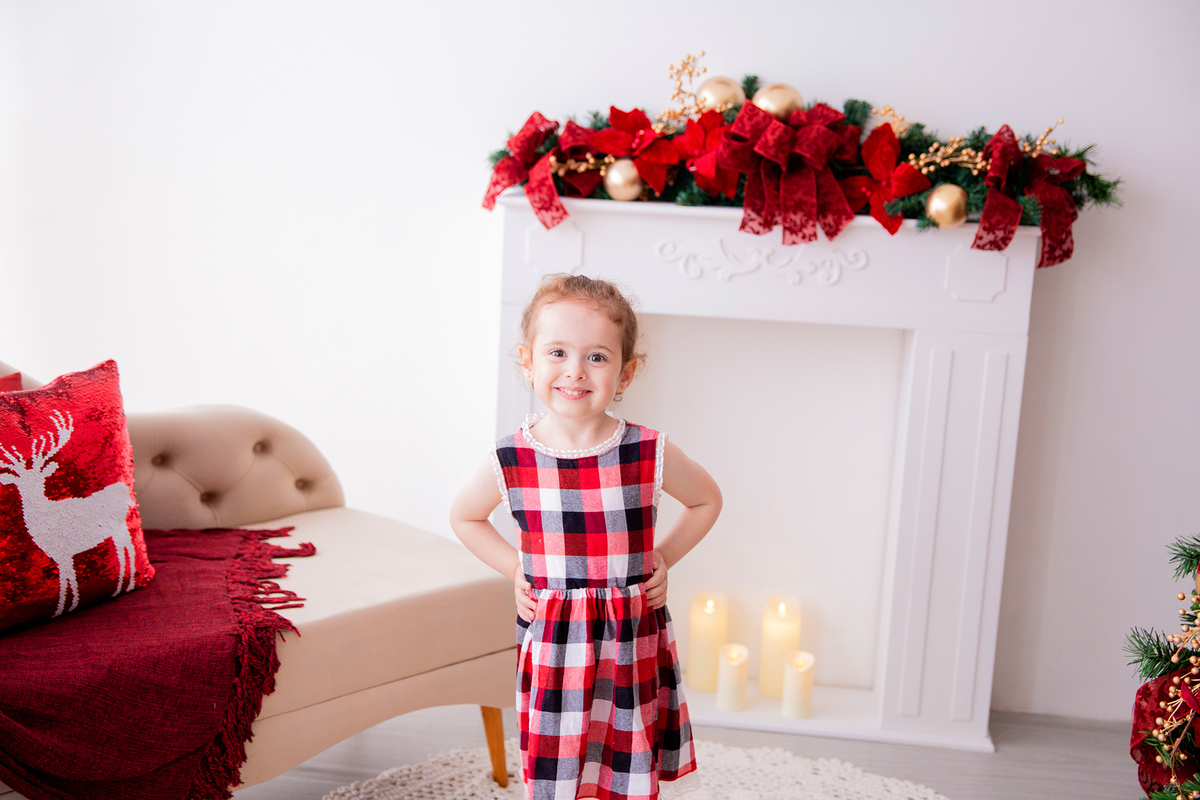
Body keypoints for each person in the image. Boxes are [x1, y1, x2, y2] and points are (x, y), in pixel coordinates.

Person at [450, 273, 722, 800]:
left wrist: (662, 557)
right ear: (528, 361)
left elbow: (707, 499)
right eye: (557, 352)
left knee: (624, 759)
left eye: (597, 357)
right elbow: (465, 517)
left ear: (627, 371)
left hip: (628, 639)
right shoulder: (511, 459)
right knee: (559, 767)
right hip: (557, 642)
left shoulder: (648, 450)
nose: (575, 371)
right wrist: (516, 569)